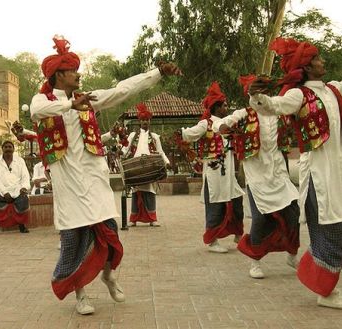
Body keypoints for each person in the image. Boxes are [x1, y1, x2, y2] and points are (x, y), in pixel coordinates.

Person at [30, 35, 181, 315]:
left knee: (109, 233)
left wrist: (157, 73)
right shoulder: (44, 100)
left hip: (94, 181)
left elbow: (122, 90)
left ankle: (109, 275)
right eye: (73, 71)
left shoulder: (87, 99)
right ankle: (81, 295)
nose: (79, 75)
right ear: (59, 75)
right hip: (68, 186)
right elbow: (37, 110)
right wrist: (69, 106)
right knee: (75, 242)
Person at [248, 37, 342, 309]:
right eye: (317, 58)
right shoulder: (299, 95)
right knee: (330, 227)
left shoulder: (334, 91)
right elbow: (273, 106)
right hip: (319, 174)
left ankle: (327, 286)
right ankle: (325, 291)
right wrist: (256, 96)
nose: (322, 62)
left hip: (339, 171)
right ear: (307, 67)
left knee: (340, 227)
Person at [213, 74, 300, 279]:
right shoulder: (244, 114)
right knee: (261, 220)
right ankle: (255, 261)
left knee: (293, 215)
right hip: (257, 176)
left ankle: (292, 254)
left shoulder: (280, 112)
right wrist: (226, 128)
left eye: (267, 92)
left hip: (279, 173)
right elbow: (220, 125)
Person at [178, 82, 245, 253]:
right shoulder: (205, 124)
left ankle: (238, 233)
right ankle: (212, 240)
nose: (226, 107)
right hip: (214, 173)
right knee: (215, 204)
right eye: (224, 105)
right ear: (216, 107)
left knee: (236, 200)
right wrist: (181, 134)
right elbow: (190, 134)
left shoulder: (227, 124)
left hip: (229, 172)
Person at [124, 102, 170, 227]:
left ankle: (152, 219)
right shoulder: (133, 136)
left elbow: (160, 152)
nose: (145, 122)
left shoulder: (155, 137)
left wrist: (167, 162)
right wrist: (120, 152)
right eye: (143, 120)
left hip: (151, 168)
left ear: (150, 121)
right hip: (136, 169)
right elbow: (125, 149)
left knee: (150, 192)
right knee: (135, 193)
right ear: (140, 121)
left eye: (147, 120)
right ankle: (133, 219)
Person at [0, 140, 31, 235]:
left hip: (17, 188)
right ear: (2, 149)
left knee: (23, 197)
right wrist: (5, 192)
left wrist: (24, 187)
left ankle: (22, 225)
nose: (8, 149)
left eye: (10, 147)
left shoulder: (20, 160)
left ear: (13, 149)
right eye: (5, 147)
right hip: (0, 189)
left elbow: (25, 176)